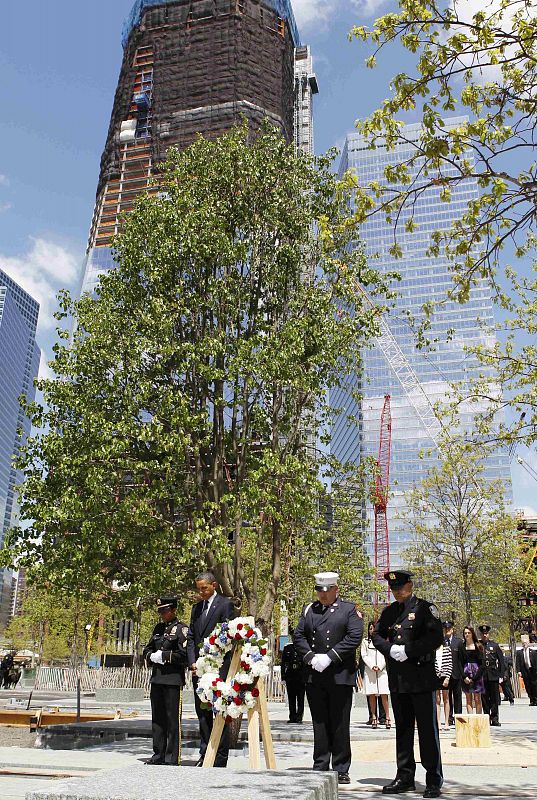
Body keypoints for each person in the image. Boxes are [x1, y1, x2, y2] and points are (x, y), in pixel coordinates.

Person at [373, 570, 444, 798]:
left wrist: (408, 651)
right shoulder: (390, 612)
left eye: (401, 588)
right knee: (402, 730)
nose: (397, 592)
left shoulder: (425, 609)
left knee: (427, 731)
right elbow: (376, 635)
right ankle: (405, 776)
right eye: (393, 589)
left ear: (410, 586)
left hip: (421, 679)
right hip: (399, 680)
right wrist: (390, 649)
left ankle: (433, 778)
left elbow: (435, 638)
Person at [293, 571, 363, 786]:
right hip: (315, 674)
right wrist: (310, 657)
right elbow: (298, 635)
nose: (322, 595)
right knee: (320, 721)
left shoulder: (349, 610)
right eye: (319, 591)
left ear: (336, 589)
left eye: (326, 591)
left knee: (340, 722)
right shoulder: (309, 610)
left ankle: (341, 767)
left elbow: (354, 636)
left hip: (340, 675)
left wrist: (330, 657)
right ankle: (320, 763)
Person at [187, 571, 235, 767]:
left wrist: (212, 659)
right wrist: (192, 661)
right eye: (199, 589)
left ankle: (219, 756)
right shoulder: (196, 608)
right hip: (199, 669)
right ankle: (205, 752)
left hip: (217, 668)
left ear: (214, 585)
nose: (202, 593)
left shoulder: (225, 605)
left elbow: (227, 635)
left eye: (204, 588)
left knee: (219, 711)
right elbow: (191, 637)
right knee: (202, 713)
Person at [142, 596, 189, 765]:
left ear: (174, 610)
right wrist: (151, 656)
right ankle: (158, 754)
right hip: (157, 679)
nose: (162, 614)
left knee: (172, 720)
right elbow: (147, 649)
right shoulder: (158, 628)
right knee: (158, 719)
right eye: (160, 611)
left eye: (165, 610)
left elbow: (184, 655)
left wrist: (164, 656)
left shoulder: (181, 630)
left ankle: (171, 757)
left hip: (173, 680)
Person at [361, 621, 391, 729]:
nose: (372, 630)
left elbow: (386, 654)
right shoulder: (365, 641)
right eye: (370, 628)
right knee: (371, 694)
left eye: (373, 628)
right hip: (370, 671)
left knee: (384, 694)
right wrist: (372, 666)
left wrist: (380, 666)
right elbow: (364, 655)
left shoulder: (383, 640)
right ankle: (374, 717)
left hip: (381, 671)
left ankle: (387, 717)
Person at [478, 624, 505, 726]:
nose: (485, 635)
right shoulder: (478, 646)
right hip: (483, 675)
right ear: (480, 634)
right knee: (484, 698)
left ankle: (495, 718)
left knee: (494, 698)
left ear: (488, 634)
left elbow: (501, 661)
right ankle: (486, 717)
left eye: (486, 633)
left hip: (493, 674)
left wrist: (501, 675)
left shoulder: (494, 645)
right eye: (483, 634)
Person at [281, 628, 306, 723]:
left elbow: (306, 663)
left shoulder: (303, 648)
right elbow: (283, 664)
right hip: (290, 676)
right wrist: (283, 676)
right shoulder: (287, 648)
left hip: (300, 677)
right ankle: (292, 717)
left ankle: (299, 717)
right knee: (291, 698)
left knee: (300, 698)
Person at [458, 625, 485, 714]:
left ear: (472, 633)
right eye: (465, 633)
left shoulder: (478, 645)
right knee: (468, 699)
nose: (467, 634)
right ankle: (471, 719)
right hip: (466, 673)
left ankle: (478, 719)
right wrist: (464, 677)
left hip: (477, 673)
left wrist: (475, 678)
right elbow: (460, 662)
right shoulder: (461, 646)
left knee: (477, 698)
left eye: (469, 633)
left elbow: (482, 664)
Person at [443, 621, 463, 725]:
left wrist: (462, 673)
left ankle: (458, 716)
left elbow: (461, 659)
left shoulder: (458, 642)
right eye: (445, 629)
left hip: (456, 673)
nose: (447, 630)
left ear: (452, 629)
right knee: (447, 697)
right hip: (445, 674)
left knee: (457, 696)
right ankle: (449, 718)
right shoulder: (441, 642)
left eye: (449, 629)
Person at [435, 639, 453, 732]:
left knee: (446, 699)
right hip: (436, 676)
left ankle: (446, 722)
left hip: (445, 676)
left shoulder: (447, 649)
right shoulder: (433, 649)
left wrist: (447, 677)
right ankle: (438, 723)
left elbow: (450, 664)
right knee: (437, 700)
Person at [516, 634, 537, 706]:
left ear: (528, 643)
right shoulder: (519, 652)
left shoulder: (533, 652)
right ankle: (531, 699)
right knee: (527, 686)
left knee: (534, 685)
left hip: (533, 670)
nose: (524, 644)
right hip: (524, 670)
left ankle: (535, 699)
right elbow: (517, 662)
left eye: (526, 642)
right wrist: (518, 671)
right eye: (523, 643)